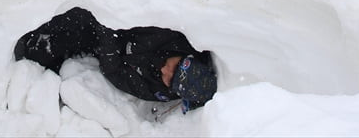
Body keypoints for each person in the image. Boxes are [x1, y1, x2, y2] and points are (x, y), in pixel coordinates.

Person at [14, 7, 217, 114]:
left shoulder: (157, 90)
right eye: (173, 69)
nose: (166, 72)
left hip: (102, 42)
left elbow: (115, 73)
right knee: (73, 14)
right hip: (113, 19)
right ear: (186, 58)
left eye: (170, 81)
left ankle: (31, 48)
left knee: (47, 50)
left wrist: (108, 47)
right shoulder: (172, 38)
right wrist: (111, 24)